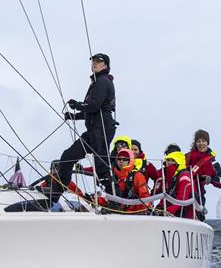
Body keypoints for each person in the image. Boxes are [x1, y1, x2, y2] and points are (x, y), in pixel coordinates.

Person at [48, 53, 117, 202]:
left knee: (101, 167)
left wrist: (78, 105)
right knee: (67, 157)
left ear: (105, 66)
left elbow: (94, 105)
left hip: (102, 130)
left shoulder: (103, 81)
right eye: (93, 61)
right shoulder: (97, 82)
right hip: (94, 131)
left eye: (98, 62)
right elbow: (94, 110)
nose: (94, 64)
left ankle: (115, 201)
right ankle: (54, 195)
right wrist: (74, 116)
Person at [185, 129, 221, 220]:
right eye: (198, 141)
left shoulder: (212, 161)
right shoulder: (186, 157)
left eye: (203, 141)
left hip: (198, 195)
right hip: (182, 192)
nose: (201, 143)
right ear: (195, 143)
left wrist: (211, 179)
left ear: (208, 143)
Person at [112, 148, 151, 213]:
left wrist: (144, 210)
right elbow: (109, 194)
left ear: (130, 160)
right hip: (116, 211)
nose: (121, 161)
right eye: (119, 159)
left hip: (133, 213)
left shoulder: (137, 176)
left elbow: (145, 196)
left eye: (125, 159)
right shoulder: (113, 175)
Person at [159, 151, 194, 218]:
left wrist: (168, 211)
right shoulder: (169, 176)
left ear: (179, 162)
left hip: (185, 214)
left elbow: (182, 199)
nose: (169, 162)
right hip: (172, 213)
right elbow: (166, 195)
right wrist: (159, 208)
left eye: (173, 160)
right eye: (168, 160)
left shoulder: (184, 176)